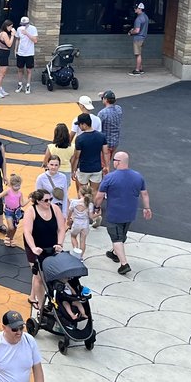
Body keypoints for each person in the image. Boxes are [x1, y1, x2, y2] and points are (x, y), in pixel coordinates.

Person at [95, 150, 151, 278]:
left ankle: (124, 264)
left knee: (116, 238)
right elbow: (144, 194)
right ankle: (115, 253)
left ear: (118, 162)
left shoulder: (109, 177)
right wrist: (147, 208)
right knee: (122, 233)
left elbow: (99, 196)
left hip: (115, 213)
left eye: (114, 160)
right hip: (130, 213)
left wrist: (96, 207)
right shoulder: (138, 176)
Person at [22, 189, 67, 306]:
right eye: (46, 200)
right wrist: (33, 248)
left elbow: (61, 228)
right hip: (35, 246)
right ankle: (41, 306)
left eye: (50, 199)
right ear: (38, 201)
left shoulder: (55, 209)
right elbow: (27, 232)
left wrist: (60, 244)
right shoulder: (31, 211)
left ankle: (32, 297)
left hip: (51, 245)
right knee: (39, 276)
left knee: (39, 274)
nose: (49, 202)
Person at [72, 113, 107, 214]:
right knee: (94, 191)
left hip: (83, 169)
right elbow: (105, 152)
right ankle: (94, 210)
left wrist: (73, 170)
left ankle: (82, 211)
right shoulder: (101, 136)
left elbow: (77, 156)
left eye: (79, 124)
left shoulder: (80, 139)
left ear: (84, 124)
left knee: (82, 191)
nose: (79, 127)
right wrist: (106, 166)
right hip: (96, 168)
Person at [97, 91, 123, 172]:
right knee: (108, 162)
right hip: (115, 142)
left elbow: (97, 125)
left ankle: (105, 178)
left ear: (105, 100)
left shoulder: (102, 113)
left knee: (104, 166)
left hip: (105, 144)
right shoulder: (118, 109)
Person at [13, 16, 38, 93]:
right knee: (20, 69)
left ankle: (28, 85)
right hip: (21, 52)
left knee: (29, 70)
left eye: (25, 24)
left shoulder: (33, 29)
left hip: (29, 53)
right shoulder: (19, 29)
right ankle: (20, 84)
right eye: (22, 24)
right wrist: (15, 49)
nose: (23, 26)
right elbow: (18, 39)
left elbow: (35, 40)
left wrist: (27, 33)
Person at [1, 173, 25, 247]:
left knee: (14, 227)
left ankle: (11, 238)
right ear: (11, 185)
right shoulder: (8, 191)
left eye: (19, 185)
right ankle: (7, 237)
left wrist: (30, 199)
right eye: (16, 186)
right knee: (11, 227)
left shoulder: (20, 193)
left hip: (16, 212)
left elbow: (22, 204)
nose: (18, 187)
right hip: (8, 211)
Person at [128, 1, 150, 75]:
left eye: (136, 8)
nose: (134, 9)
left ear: (140, 9)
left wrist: (131, 32)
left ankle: (137, 70)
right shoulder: (145, 17)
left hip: (138, 39)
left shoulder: (138, 19)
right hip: (143, 37)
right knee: (139, 54)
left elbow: (137, 30)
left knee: (138, 54)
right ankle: (140, 69)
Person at [0, 20, 14, 91]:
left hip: (2, 53)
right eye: (10, 27)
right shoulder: (4, 34)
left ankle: (0, 87)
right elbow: (9, 44)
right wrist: (12, 35)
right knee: (1, 74)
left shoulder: (0, 32)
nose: (11, 28)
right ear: (6, 26)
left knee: (2, 73)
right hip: (3, 53)